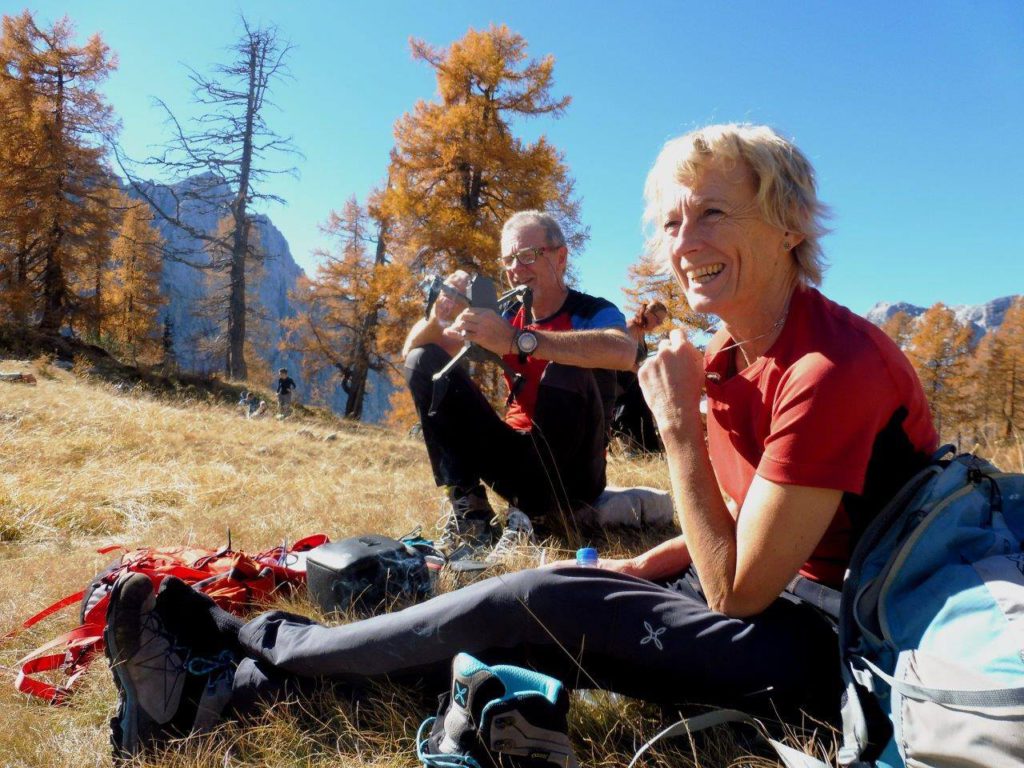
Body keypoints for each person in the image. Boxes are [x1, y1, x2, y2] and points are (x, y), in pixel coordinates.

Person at [102, 124, 939, 760]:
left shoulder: (830, 367)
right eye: (673, 221)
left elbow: (739, 594)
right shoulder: (737, 353)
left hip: (846, 644)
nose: (684, 245)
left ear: (788, 224)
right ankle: (223, 694)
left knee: (534, 604)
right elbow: (754, 511)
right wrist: (648, 563)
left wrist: (679, 425)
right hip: (787, 594)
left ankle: (253, 648)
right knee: (538, 603)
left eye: (713, 213)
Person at [402, 210, 636, 552]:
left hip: (574, 472)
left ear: (560, 257)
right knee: (423, 362)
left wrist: (519, 341)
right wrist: (439, 317)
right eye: (508, 260)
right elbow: (414, 355)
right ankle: (472, 512)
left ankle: (538, 518)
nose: (515, 269)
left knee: (564, 362)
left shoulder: (590, 311)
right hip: (516, 459)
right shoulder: (509, 313)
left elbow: (625, 350)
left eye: (527, 256)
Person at [609, 301, 668, 454]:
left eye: (661, 322)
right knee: (625, 416)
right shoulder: (628, 328)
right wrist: (641, 369)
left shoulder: (641, 333)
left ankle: (650, 454)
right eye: (658, 320)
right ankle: (630, 454)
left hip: (633, 382)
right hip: (619, 383)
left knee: (644, 413)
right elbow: (617, 359)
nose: (659, 324)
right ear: (648, 313)